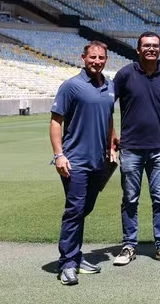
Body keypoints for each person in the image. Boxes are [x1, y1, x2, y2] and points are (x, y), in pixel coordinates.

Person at [112, 32, 160, 266]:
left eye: (155, 46)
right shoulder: (125, 74)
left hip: (159, 149)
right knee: (130, 199)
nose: (151, 49)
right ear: (138, 49)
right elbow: (106, 106)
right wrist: (112, 137)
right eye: (146, 46)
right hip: (131, 148)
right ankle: (129, 245)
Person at [49, 41, 117, 285]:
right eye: (92, 57)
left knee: (84, 210)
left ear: (106, 59)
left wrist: (111, 144)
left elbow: (109, 117)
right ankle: (67, 263)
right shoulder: (71, 86)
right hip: (74, 161)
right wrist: (59, 155)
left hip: (99, 162)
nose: (97, 61)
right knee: (75, 210)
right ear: (83, 58)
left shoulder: (110, 86)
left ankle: (75, 256)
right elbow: (56, 122)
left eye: (101, 58)